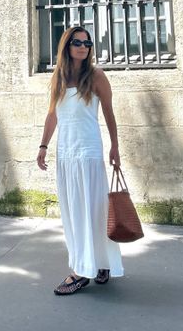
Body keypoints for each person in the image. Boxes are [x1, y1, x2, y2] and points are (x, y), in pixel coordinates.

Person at [37, 26, 124, 295]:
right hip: (66, 154)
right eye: (77, 42)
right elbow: (53, 115)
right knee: (74, 212)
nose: (83, 47)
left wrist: (115, 146)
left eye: (87, 43)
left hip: (88, 152)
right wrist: (43, 145)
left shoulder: (96, 76)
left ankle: (84, 270)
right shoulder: (58, 78)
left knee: (95, 209)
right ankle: (95, 263)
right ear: (67, 46)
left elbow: (108, 112)